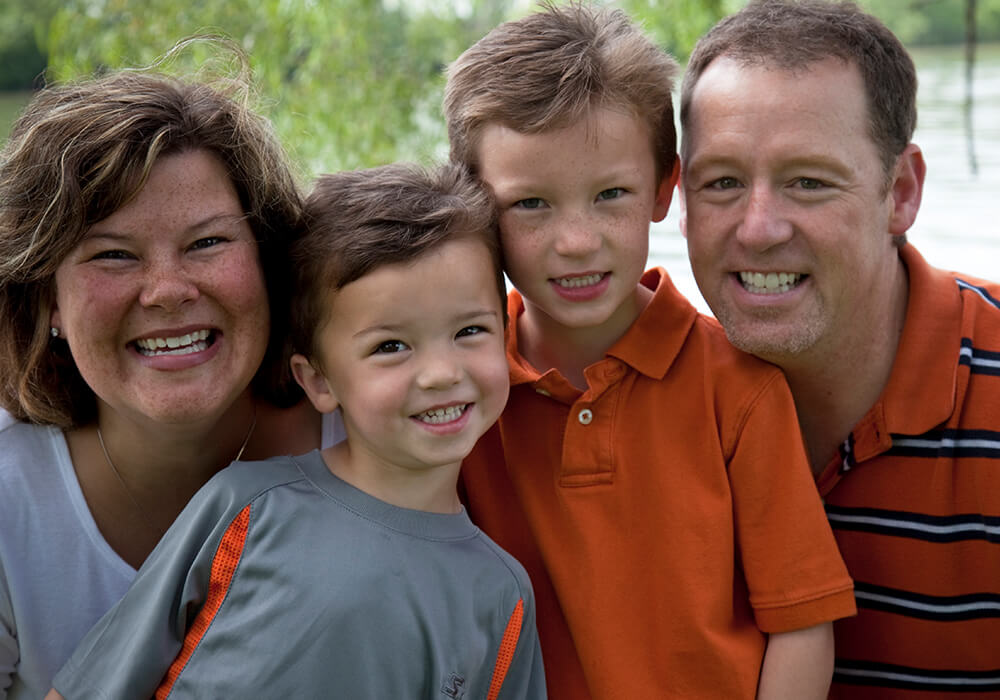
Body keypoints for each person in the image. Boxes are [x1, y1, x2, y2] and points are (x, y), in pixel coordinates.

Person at [444, 3, 856, 698]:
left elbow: (802, 623)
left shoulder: (738, 390)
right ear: (475, 207)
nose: (577, 241)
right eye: (532, 205)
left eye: (611, 195)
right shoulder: (459, 389)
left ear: (665, 188)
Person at [45, 162, 544, 699]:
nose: (443, 373)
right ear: (319, 381)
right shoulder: (247, 508)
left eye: (470, 330)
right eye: (390, 346)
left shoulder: (501, 596)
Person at [0, 43, 344, 700]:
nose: (166, 290)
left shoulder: (375, 435)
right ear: (48, 303)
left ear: (269, 265)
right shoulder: (8, 504)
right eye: (113, 256)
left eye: (207, 243)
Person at [679, 1, 1000, 697]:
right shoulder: (641, 398)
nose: (758, 229)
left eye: (809, 182)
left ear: (901, 192)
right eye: (723, 182)